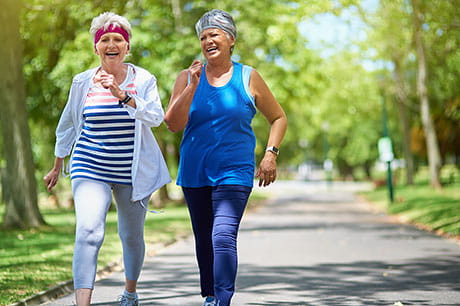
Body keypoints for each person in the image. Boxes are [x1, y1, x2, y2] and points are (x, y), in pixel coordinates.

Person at [43, 12, 170, 306]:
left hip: (131, 170)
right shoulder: (82, 82)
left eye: (118, 39)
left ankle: (130, 291)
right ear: (95, 47)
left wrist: (121, 94)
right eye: (104, 40)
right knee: (88, 231)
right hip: (89, 165)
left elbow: (155, 118)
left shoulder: (144, 79)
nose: (111, 44)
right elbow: (68, 125)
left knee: (131, 237)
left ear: (127, 47)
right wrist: (57, 165)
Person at [164, 9, 287, 306]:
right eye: (203, 37)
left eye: (214, 34)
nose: (208, 41)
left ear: (231, 39)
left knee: (222, 236)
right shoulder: (187, 77)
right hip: (195, 172)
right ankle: (210, 296)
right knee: (204, 240)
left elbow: (278, 117)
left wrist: (271, 155)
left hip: (234, 171)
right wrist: (192, 86)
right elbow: (172, 123)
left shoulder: (248, 77)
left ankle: (222, 300)